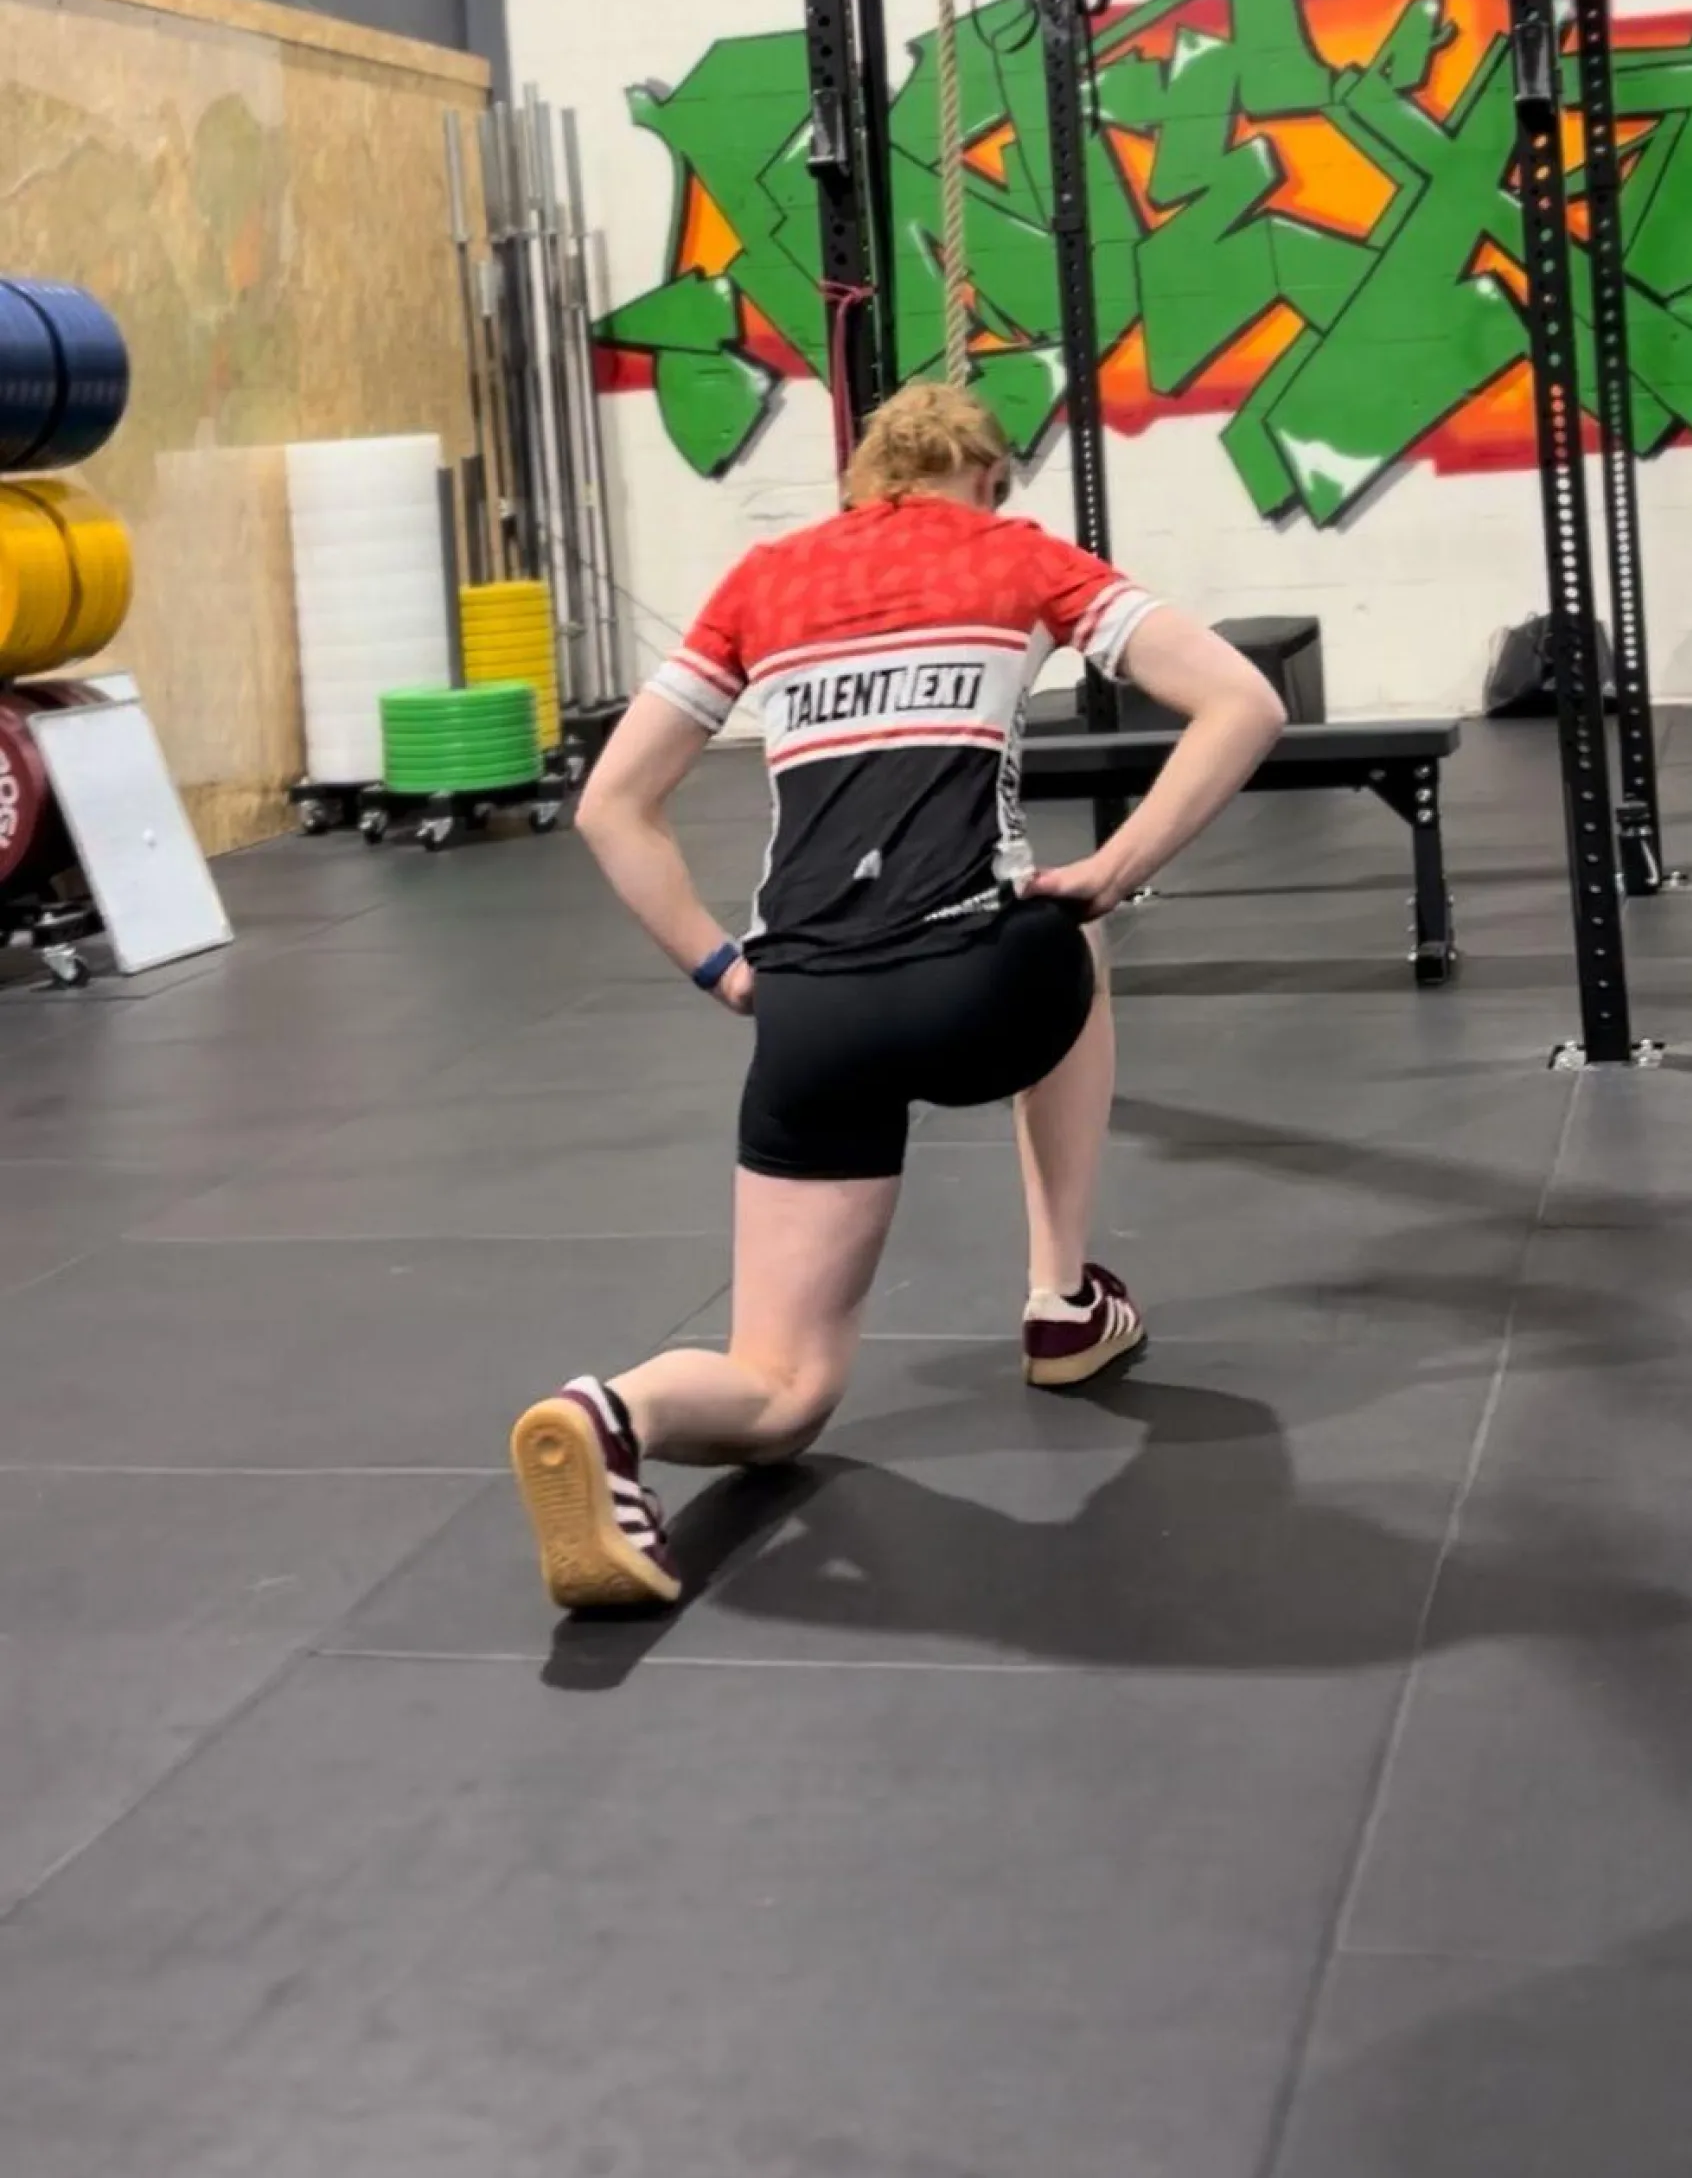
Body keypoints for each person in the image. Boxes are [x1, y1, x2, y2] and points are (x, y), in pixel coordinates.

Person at [508, 380, 1287, 1614]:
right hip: (976, 982)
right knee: (1072, 930)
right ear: (984, 477)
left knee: (783, 1392)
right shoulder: (1016, 551)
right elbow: (1244, 701)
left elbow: (611, 805)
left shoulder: (764, 577)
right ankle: (1060, 1296)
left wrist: (723, 966)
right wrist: (1111, 868)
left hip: (808, 1012)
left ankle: (613, 1411)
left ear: (864, 477)